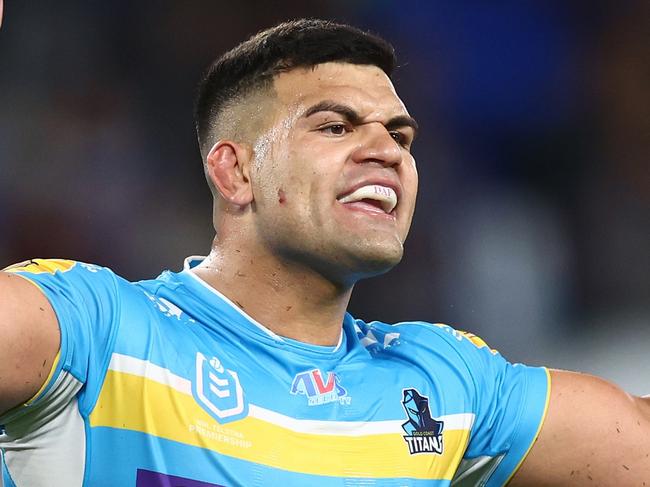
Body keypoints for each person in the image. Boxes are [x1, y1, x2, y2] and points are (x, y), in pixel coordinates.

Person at [0, 18, 648, 487]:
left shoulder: (445, 387)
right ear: (234, 172)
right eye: (335, 127)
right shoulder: (98, 328)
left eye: (400, 134)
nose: (388, 150)